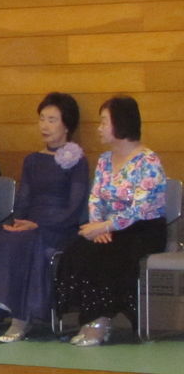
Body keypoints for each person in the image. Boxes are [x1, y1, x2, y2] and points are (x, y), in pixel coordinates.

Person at [0, 93, 89, 342]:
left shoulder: (78, 161)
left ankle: (21, 319)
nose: (44, 125)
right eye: (42, 119)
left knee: (25, 243)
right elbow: (23, 199)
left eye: (52, 120)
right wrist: (17, 222)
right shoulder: (32, 159)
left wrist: (39, 224)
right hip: (28, 225)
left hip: (58, 228)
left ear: (67, 125)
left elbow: (75, 207)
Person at [54, 96, 167, 347]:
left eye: (104, 122)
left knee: (108, 255)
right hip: (108, 227)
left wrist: (106, 226)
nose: (99, 128)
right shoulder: (105, 160)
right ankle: (88, 318)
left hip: (143, 229)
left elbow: (141, 208)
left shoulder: (148, 161)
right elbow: (95, 197)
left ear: (121, 123)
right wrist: (97, 226)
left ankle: (100, 322)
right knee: (78, 250)